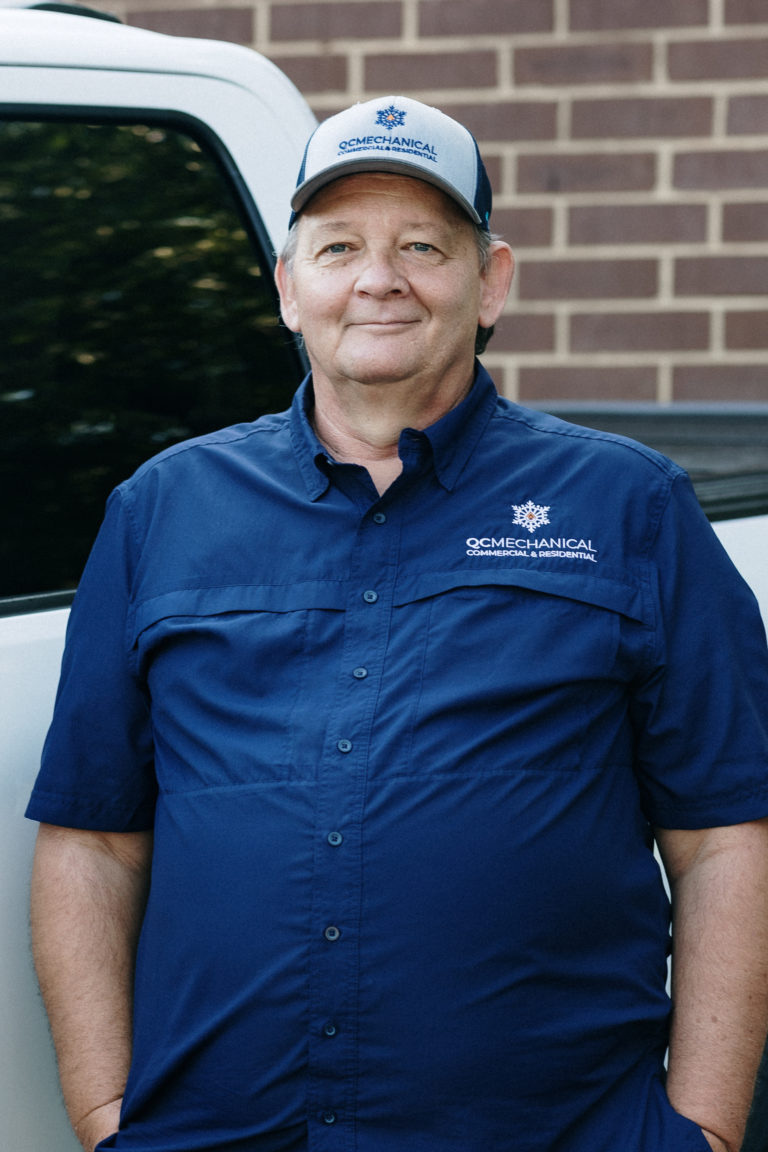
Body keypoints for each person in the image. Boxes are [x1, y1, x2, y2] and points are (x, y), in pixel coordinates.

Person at [27, 95, 768, 1152]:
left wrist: (703, 1129)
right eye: (339, 247)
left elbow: (727, 839)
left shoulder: (630, 508)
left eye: (422, 243)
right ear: (289, 289)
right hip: (219, 1135)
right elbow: (93, 842)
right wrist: (107, 1119)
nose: (379, 278)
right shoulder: (161, 510)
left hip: (558, 1133)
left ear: (489, 281)